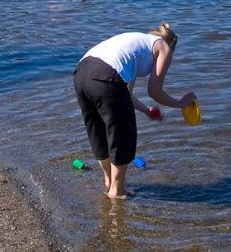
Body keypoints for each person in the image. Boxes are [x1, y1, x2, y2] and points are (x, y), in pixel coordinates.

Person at [74, 24, 195, 200]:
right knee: (124, 132)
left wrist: (147, 111)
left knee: (98, 130)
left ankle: (109, 181)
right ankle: (117, 191)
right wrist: (181, 104)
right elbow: (154, 91)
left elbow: (126, 95)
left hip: (81, 72)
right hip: (105, 76)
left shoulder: (136, 44)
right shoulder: (164, 46)